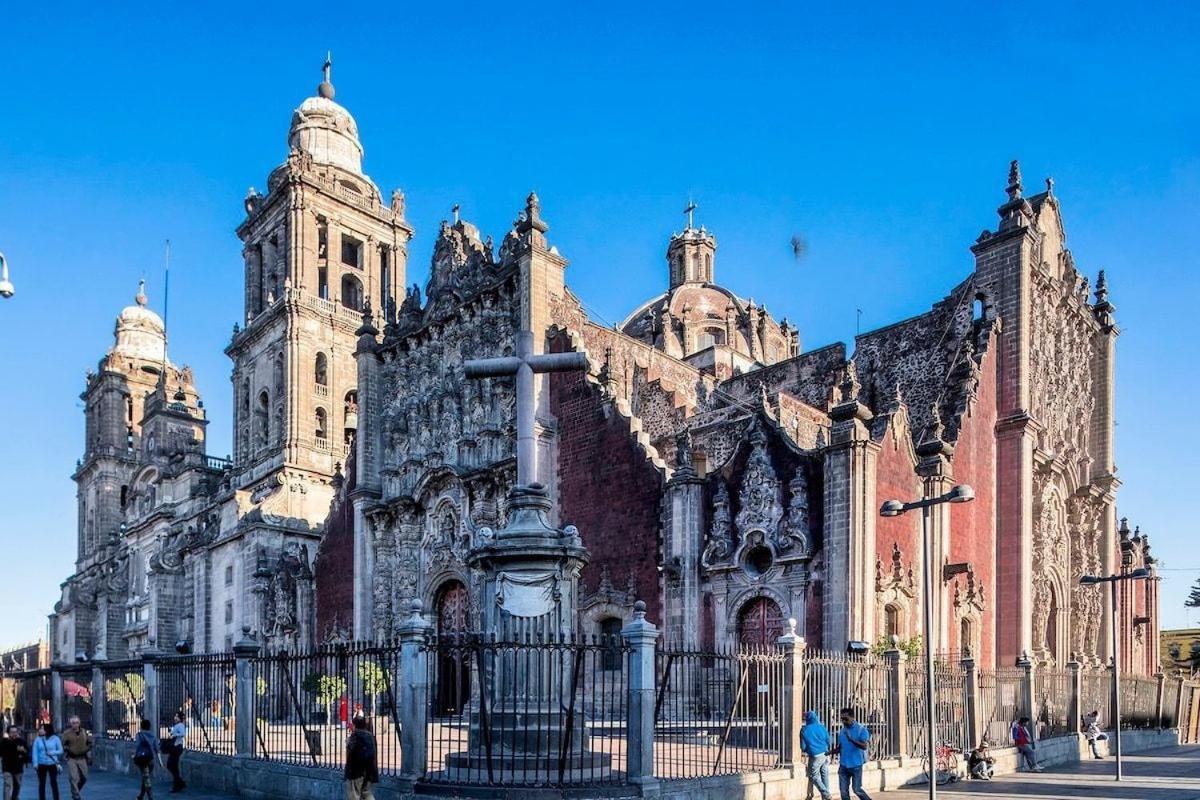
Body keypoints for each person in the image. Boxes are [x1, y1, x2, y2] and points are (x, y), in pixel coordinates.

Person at [833, 708, 872, 800]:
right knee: (843, 791)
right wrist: (830, 752)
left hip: (856, 765)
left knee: (857, 789)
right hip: (843, 765)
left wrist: (851, 740)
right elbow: (841, 747)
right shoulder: (842, 731)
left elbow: (864, 746)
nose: (843, 721)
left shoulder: (861, 730)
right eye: (842, 719)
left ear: (852, 717)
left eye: (846, 719)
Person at [800, 711, 832, 800]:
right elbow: (829, 740)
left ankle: (826, 794)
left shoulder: (804, 730)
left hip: (815, 755)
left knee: (813, 776)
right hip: (826, 754)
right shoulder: (822, 727)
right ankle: (825, 797)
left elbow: (803, 746)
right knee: (824, 774)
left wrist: (808, 750)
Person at [343, 716, 378, 800]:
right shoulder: (371, 736)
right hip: (370, 770)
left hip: (355, 772)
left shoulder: (354, 736)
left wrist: (348, 743)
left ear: (354, 725)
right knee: (367, 793)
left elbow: (349, 755)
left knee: (353, 795)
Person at [59, 717, 90, 800]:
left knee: (84, 777)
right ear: (70, 724)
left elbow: (88, 741)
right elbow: (63, 744)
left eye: (76, 723)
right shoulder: (67, 733)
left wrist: (88, 749)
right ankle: (76, 796)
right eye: (73, 723)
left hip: (82, 757)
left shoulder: (83, 732)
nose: (75, 725)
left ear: (79, 723)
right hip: (72, 758)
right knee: (73, 778)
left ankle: (76, 790)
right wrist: (68, 750)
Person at [31, 723, 62, 800]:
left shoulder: (56, 738)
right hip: (41, 764)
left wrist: (53, 752)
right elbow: (35, 752)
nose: (40, 730)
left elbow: (60, 750)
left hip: (52, 763)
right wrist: (35, 763)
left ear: (47, 730)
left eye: (42, 729)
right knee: (42, 783)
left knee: (53, 782)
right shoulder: (37, 740)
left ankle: (56, 798)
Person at [132, 719, 158, 800]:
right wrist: (160, 761)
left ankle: (150, 797)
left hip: (142, 759)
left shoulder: (139, 735)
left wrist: (134, 755)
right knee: (145, 777)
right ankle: (141, 796)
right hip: (151, 759)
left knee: (146, 778)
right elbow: (157, 749)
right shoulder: (153, 736)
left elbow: (137, 747)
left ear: (141, 726)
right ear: (149, 727)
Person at [1, 725, 30, 800]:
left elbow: (27, 754)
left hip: (18, 767)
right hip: (7, 767)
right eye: (12, 732)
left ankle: (14, 798)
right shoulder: (4, 741)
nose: (14, 734)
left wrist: (23, 751)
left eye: (15, 732)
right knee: (8, 785)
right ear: (8, 733)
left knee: (17, 785)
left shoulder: (21, 741)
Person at [166, 712, 187, 793]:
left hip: (177, 747)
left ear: (179, 718)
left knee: (172, 765)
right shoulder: (177, 725)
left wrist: (174, 734)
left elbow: (183, 734)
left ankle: (178, 784)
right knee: (172, 766)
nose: (175, 717)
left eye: (176, 716)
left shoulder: (180, 725)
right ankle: (179, 783)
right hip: (175, 747)